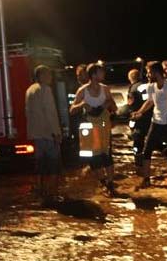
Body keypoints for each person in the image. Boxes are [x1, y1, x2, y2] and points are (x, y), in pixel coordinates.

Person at [70, 63, 118, 196]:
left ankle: (110, 184)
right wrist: (83, 104)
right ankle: (104, 182)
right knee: (94, 159)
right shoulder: (82, 91)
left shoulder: (105, 89)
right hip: (89, 127)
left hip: (103, 126)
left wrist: (108, 104)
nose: (103, 74)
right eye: (101, 72)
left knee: (107, 155)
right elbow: (72, 110)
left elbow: (115, 107)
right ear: (93, 75)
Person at [131, 61, 167, 187]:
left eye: (149, 72)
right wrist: (140, 112)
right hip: (156, 122)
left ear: (155, 72)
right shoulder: (150, 86)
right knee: (146, 150)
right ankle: (146, 179)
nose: (147, 75)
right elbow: (150, 102)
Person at [25, 65, 62, 204]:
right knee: (53, 165)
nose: (51, 78)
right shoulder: (45, 90)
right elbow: (51, 113)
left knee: (40, 165)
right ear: (41, 76)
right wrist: (57, 133)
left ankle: (40, 191)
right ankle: (52, 194)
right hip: (48, 134)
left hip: (36, 134)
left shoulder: (30, 90)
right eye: (48, 75)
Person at [126, 68, 151, 169]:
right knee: (152, 139)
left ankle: (139, 164)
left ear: (130, 78)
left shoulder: (133, 88)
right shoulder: (147, 85)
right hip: (150, 116)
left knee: (137, 141)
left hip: (139, 117)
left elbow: (130, 104)